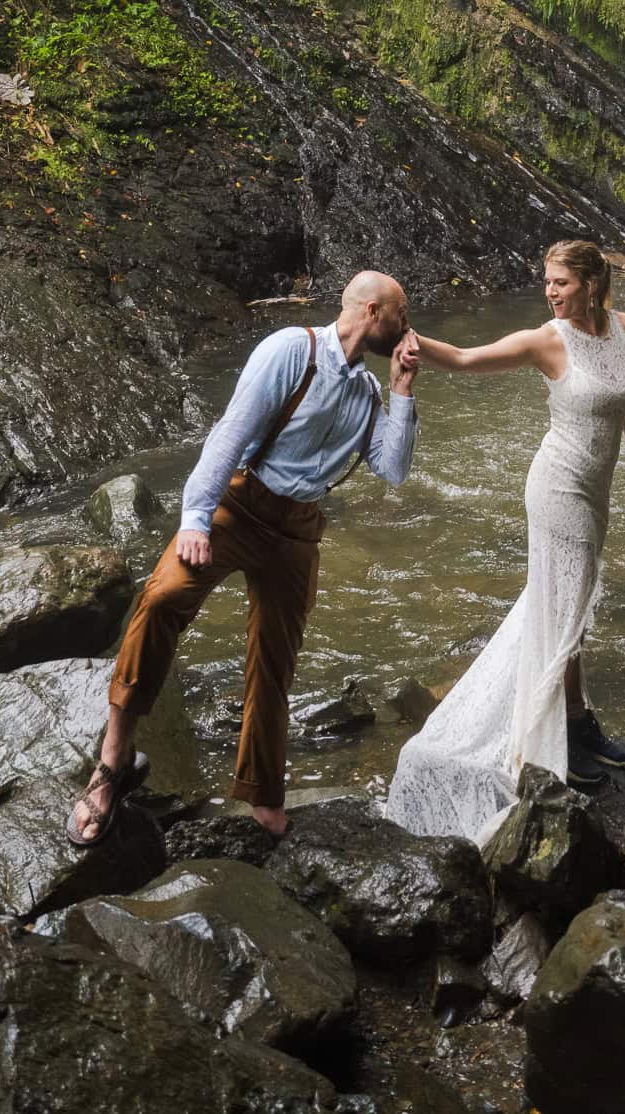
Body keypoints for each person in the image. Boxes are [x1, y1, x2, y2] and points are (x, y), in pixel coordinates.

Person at [68, 269, 418, 845]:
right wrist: (194, 520)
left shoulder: (371, 392)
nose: (409, 329)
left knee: (273, 662)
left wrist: (403, 385)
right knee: (161, 599)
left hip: (299, 529)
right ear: (375, 312)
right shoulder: (290, 351)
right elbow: (230, 435)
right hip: (239, 502)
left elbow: (394, 470)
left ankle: (262, 795)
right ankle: (114, 759)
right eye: (402, 316)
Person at [386, 238, 625, 843]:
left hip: (597, 491)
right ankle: (554, 739)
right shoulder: (549, 339)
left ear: (591, 283)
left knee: (574, 606)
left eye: (559, 282)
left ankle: (577, 720)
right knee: (564, 608)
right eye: (546, 282)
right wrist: (415, 343)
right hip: (557, 488)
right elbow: (466, 358)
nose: (550, 292)